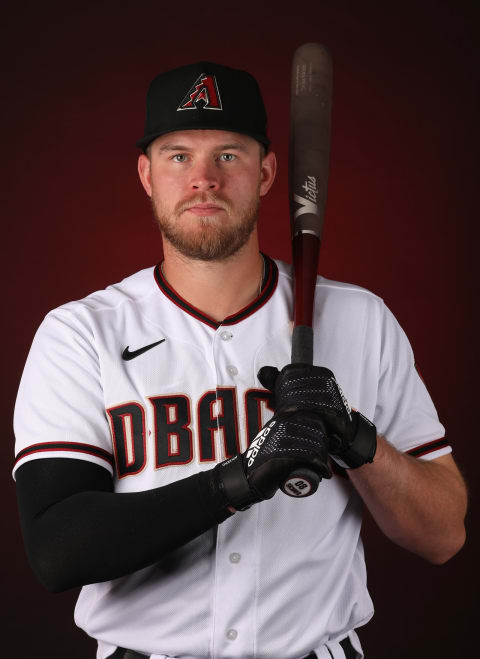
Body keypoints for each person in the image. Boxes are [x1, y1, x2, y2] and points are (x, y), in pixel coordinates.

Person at [13, 61, 467, 659]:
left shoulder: (359, 319)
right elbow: (58, 549)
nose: (203, 179)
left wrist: (356, 439)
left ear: (268, 172)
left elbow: (442, 534)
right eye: (179, 156)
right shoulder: (81, 333)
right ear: (147, 175)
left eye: (228, 155)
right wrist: (239, 481)